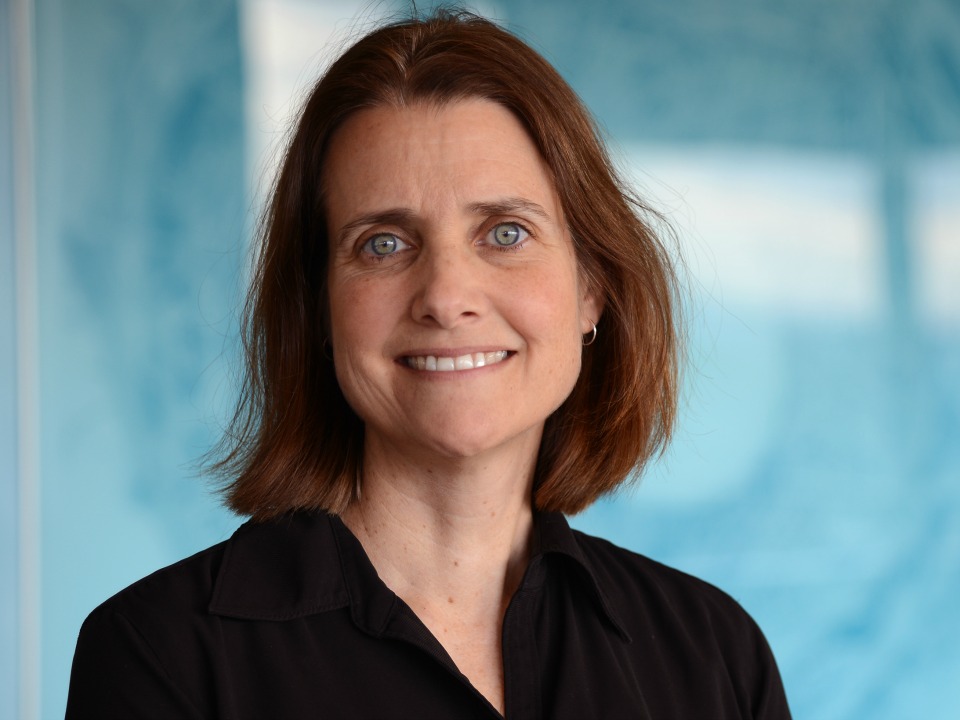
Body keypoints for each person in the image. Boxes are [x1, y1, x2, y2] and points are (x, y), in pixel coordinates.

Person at [66, 10, 791, 719]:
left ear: (592, 290)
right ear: (318, 308)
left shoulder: (715, 656)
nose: (446, 296)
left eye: (505, 233)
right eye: (383, 243)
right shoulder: (160, 657)